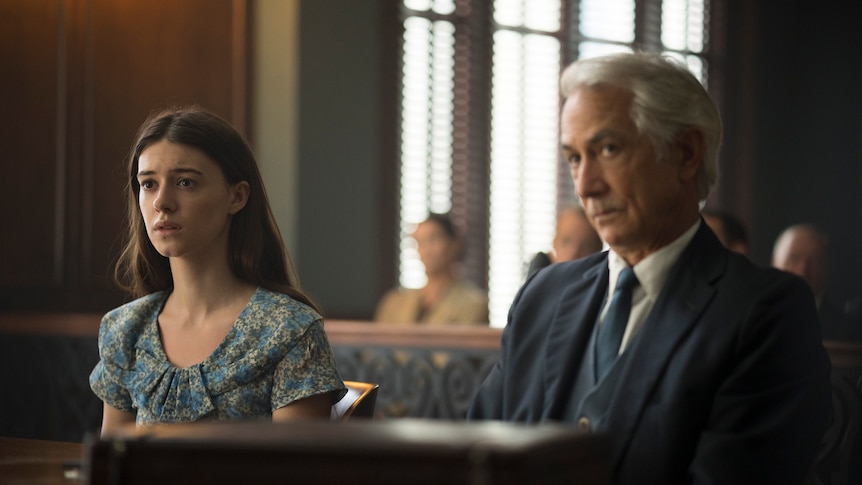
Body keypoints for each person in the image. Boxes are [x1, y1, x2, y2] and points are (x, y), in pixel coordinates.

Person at [468, 53, 832, 484]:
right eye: (574, 159)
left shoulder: (768, 313)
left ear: (685, 153)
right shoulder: (542, 297)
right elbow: (476, 455)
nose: (586, 185)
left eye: (608, 149)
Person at [89, 107, 346, 433]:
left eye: (185, 182)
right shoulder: (125, 330)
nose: (161, 203)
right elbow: (112, 466)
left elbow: (293, 470)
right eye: (149, 184)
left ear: (236, 196)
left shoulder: (288, 330)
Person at [374, 213, 488, 325]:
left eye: (433, 240)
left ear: (454, 244)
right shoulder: (394, 302)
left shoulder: (474, 304)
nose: (426, 250)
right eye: (419, 242)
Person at [772, 223, 862, 341]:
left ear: (826, 267)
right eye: (794, 258)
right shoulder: (754, 321)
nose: (802, 270)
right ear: (774, 264)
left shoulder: (850, 331)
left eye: (814, 260)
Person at [526, 205, 603, 277]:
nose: (573, 254)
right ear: (554, 243)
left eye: (585, 246)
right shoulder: (540, 276)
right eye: (566, 242)